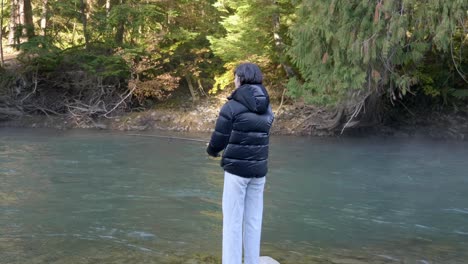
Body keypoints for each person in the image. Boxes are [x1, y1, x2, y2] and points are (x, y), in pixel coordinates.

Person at [206, 63, 274, 264]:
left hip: (237, 172)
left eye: (235, 77)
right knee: (253, 220)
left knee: (232, 222)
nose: (234, 80)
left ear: (241, 79)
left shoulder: (232, 106)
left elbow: (220, 138)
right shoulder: (267, 107)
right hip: (259, 171)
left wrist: (211, 150)